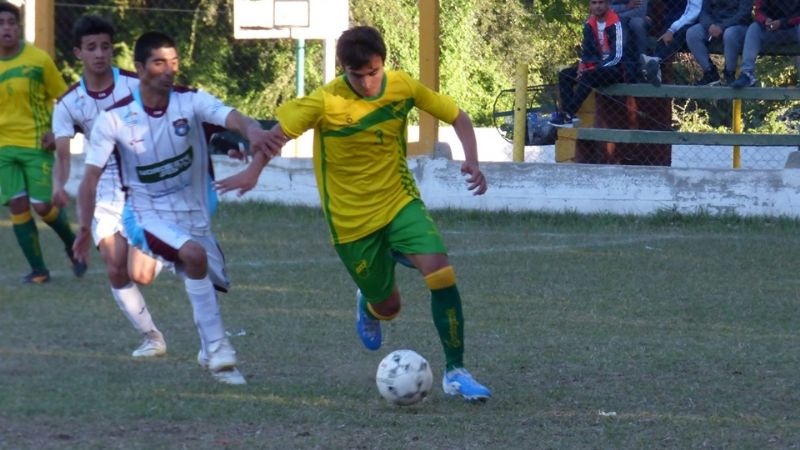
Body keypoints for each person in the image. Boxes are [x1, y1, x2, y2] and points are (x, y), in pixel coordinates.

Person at [216, 25, 492, 402]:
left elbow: (458, 116)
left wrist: (472, 162)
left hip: (398, 202)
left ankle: (456, 372)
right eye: (356, 74)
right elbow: (276, 135)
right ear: (342, 69)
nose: (366, 82)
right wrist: (253, 171)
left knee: (440, 271)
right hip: (351, 223)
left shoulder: (403, 87)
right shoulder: (324, 102)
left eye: (373, 72)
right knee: (389, 306)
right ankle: (369, 301)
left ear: (385, 63)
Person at [74, 31, 273, 385]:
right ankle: (219, 352)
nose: (169, 70)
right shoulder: (115, 119)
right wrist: (84, 229)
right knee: (192, 257)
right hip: (144, 215)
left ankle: (207, 348)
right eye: (159, 63)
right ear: (139, 67)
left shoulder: (191, 102)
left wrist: (252, 132)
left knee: (209, 278)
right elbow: (89, 179)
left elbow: (233, 118)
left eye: (174, 62)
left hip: (195, 214)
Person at [52, 15, 168, 358]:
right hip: (104, 188)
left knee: (141, 274)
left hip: (145, 181)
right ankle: (152, 337)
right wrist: (59, 184)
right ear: (78, 53)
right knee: (115, 268)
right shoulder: (69, 103)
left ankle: (170, 241)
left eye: (105, 46)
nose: (99, 54)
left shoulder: (135, 83)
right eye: (91, 48)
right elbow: (62, 153)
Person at [0, 1, 86, 283]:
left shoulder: (38, 60)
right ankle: (39, 270)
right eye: (1, 24)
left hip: (37, 145)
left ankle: (72, 244)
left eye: (11, 23)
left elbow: (65, 99)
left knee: (41, 205)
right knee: (17, 205)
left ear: (19, 26)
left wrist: (57, 131)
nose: (7, 29)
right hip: (3, 148)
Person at [550, 0, 629, 127]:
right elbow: (587, 51)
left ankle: (567, 114)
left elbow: (618, 56)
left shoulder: (617, 23)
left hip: (615, 69)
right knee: (565, 74)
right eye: (594, 3)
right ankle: (571, 116)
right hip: (594, 68)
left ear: (607, 4)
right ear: (590, 6)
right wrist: (582, 65)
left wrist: (594, 68)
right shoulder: (589, 24)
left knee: (589, 76)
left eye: (601, 2)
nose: (597, 6)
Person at [730, 0, 800, 88]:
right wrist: (765, 20)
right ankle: (747, 74)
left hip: (792, 29)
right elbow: (758, 11)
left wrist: (782, 23)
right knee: (754, 28)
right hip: (770, 30)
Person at [685, 0, 753, 86]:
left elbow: (744, 13)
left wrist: (722, 26)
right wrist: (709, 25)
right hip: (714, 24)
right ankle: (710, 72)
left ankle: (729, 73)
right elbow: (703, 12)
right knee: (692, 33)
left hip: (738, 26)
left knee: (730, 34)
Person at [640, 0, 703, 86]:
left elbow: (694, 12)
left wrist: (671, 30)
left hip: (701, 20)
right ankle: (656, 67)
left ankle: (656, 60)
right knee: (664, 36)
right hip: (676, 16)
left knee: (680, 32)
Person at [611, 0, 650, 65]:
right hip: (616, 19)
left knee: (636, 23)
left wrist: (618, 16)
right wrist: (626, 6)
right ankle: (617, 63)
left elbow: (640, 12)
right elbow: (606, 7)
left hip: (639, 18)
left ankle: (643, 61)